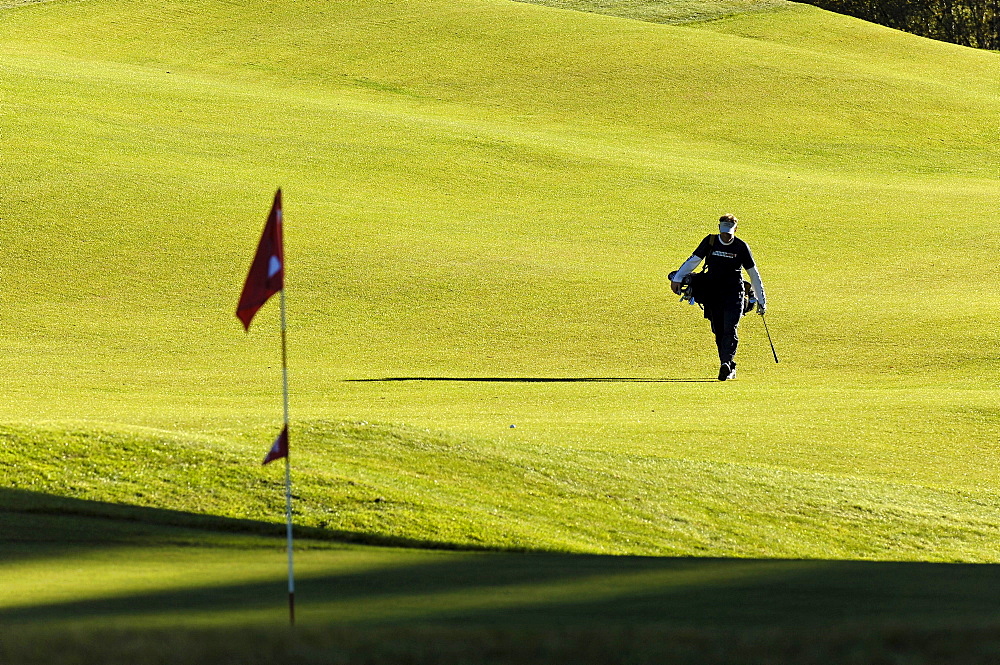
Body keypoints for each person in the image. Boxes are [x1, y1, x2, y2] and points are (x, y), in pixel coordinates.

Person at [670, 214, 766, 381]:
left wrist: (761, 300)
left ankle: (726, 364)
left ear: (735, 229)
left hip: (734, 294)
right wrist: (678, 278)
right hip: (712, 293)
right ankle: (729, 365)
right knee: (718, 330)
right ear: (719, 228)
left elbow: (753, 274)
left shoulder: (741, 247)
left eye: (729, 232)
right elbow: (694, 261)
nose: (726, 235)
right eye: (723, 232)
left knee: (730, 329)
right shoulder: (710, 241)